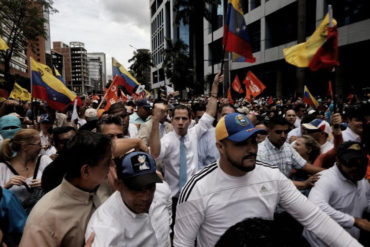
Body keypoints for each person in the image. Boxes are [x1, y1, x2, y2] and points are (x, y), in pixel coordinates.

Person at [173, 113, 361, 247]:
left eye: (253, 141)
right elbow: (183, 243)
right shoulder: (197, 188)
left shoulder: (272, 176)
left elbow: (314, 218)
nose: (251, 149)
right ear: (220, 147)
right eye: (241, 143)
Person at [19, 131, 112, 247]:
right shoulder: (45, 218)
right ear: (86, 171)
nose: (111, 167)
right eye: (107, 164)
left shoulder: (100, 185)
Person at [85, 151, 172, 247]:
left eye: (150, 187)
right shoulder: (106, 229)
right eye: (136, 190)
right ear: (119, 185)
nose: (145, 197)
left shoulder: (162, 190)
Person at [303, 142, 370, 246]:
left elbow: (366, 202)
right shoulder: (325, 179)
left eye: (361, 163)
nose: (357, 167)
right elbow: (316, 206)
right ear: (338, 161)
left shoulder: (362, 180)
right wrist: (354, 221)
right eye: (351, 163)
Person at [257, 116, 322, 190]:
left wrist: (330, 171)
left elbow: (305, 166)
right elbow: (274, 182)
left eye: (285, 132)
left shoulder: (288, 148)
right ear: (269, 131)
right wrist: (304, 184)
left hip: (286, 192)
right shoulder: (260, 152)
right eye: (278, 132)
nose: (283, 136)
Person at [0, 129, 52, 208]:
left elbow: (61, 184)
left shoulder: (44, 160)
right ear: (24, 147)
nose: (41, 147)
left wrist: (48, 184)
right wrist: (6, 187)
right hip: (14, 218)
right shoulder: (3, 167)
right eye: (38, 144)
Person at [41, 126, 77, 193]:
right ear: (55, 144)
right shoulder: (50, 172)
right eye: (64, 142)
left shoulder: (89, 162)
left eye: (73, 140)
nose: (70, 144)